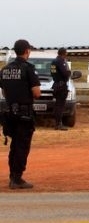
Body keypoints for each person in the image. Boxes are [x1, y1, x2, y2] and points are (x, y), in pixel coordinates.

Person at [0, 39, 41, 189]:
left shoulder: (5, 69)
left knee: (14, 145)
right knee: (22, 146)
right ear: (27, 51)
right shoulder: (28, 68)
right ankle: (17, 178)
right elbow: (36, 93)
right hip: (24, 113)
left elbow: (4, 91)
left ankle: (13, 175)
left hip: (10, 112)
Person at [50, 48, 71, 131]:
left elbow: (52, 73)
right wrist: (69, 72)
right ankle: (58, 124)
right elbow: (65, 73)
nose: (66, 55)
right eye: (66, 54)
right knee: (60, 106)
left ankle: (57, 123)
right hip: (61, 86)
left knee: (57, 105)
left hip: (56, 84)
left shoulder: (53, 61)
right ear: (64, 54)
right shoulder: (61, 61)